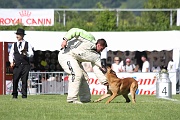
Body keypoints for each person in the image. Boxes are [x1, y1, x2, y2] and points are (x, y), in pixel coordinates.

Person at [58, 28, 108, 104]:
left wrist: (104, 81)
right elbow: (75, 31)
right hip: (66, 54)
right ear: (99, 45)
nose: (102, 50)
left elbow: (96, 68)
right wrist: (65, 39)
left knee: (84, 77)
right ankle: (72, 99)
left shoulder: (97, 56)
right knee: (76, 74)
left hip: (76, 60)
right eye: (102, 48)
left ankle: (85, 100)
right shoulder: (89, 38)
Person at [9, 28, 34, 99]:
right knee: (15, 79)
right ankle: (14, 95)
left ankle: (24, 95)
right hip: (17, 65)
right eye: (17, 34)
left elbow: (31, 54)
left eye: (18, 34)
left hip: (25, 65)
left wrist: (26, 53)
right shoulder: (14, 45)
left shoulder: (28, 44)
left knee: (24, 80)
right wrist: (11, 61)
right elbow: (11, 54)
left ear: (22, 36)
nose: (17, 36)